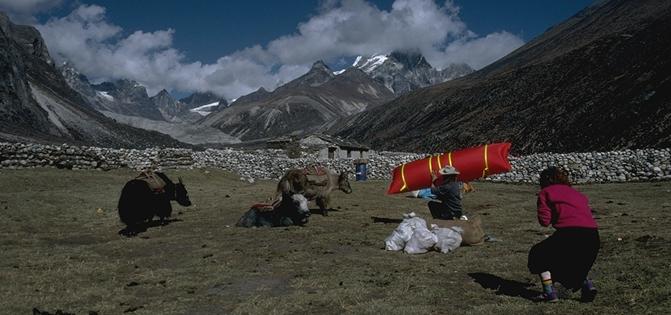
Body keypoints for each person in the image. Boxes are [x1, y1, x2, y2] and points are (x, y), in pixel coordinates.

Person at [528, 166, 599, 303]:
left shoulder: (546, 193)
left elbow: (544, 221)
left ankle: (549, 292)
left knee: (538, 254)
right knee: (574, 261)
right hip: (593, 236)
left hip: (570, 234)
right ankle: (587, 286)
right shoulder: (577, 193)